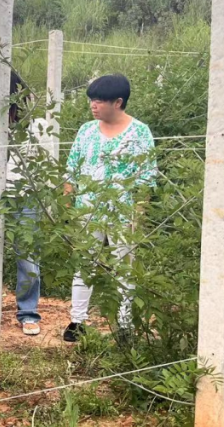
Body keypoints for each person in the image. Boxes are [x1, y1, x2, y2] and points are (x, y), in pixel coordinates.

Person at [63, 74, 157, 343]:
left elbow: (146, 176)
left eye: (100, 101)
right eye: (91, 100)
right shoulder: (86, 131)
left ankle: (125, 324)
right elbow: (72, 169)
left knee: (124, 268)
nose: (93, 106)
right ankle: (77, 321)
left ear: (118, 102)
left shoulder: (139, 132)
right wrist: (68, 206)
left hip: (123, 213)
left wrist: (138, 214)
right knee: (84, 265)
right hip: (87, 212)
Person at [5, 71, 47, 337]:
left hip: (27, 195)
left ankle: (28, 312)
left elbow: (42, 164)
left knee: (28, 257)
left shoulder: (36, 125)